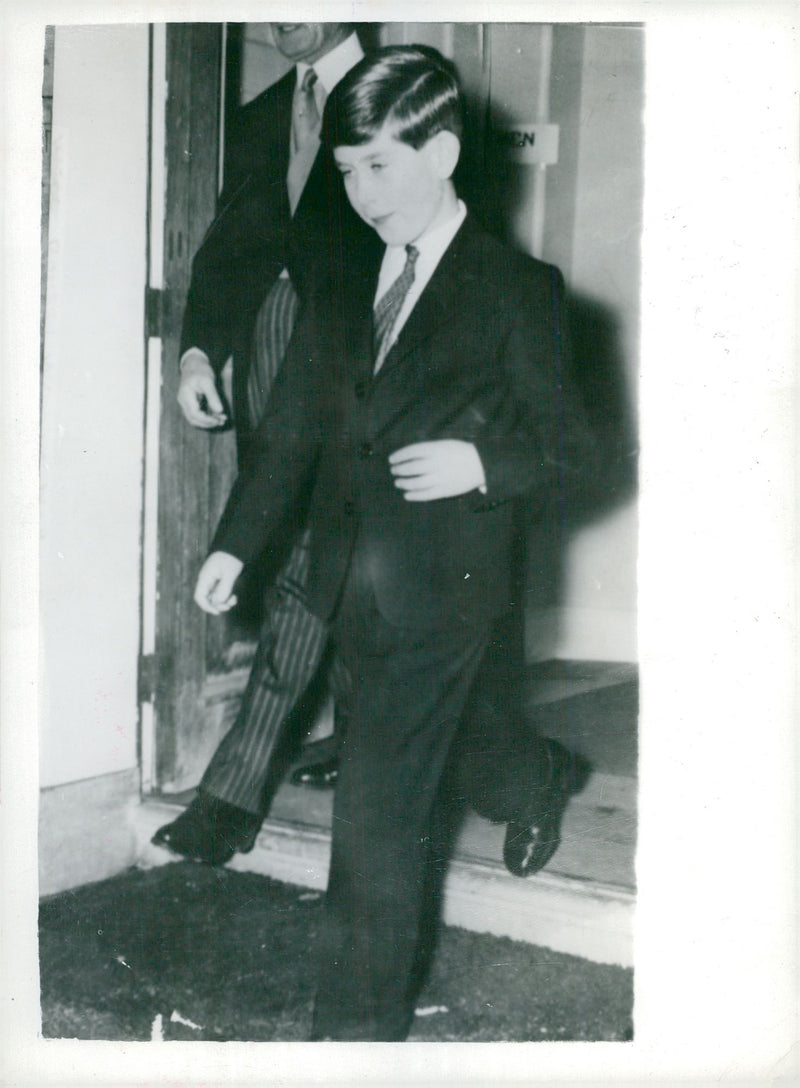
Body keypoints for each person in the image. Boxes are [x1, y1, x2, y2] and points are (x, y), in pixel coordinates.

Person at [194, 45, 593, 1041]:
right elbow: (288, 434)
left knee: (374, 824)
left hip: (447, 588)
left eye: (378, 166)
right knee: (461, 750)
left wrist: (482, 465)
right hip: (347, 582)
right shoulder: (341, 284)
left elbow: (575, 452)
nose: (360, 193)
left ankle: (348, 1040)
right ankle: (534, 776)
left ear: (442, 150)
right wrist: (236, 545)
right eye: (343, 171)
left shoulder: (517, 288)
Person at [152, 24, 380, 866]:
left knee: (315, 558)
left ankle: (232, 794)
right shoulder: (259, 117)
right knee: (308, 553)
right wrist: (198, 350)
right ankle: (357, 751)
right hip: (271, 344)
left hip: (360, 355)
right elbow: (226, 250)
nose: (278, 12)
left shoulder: (402, 93)